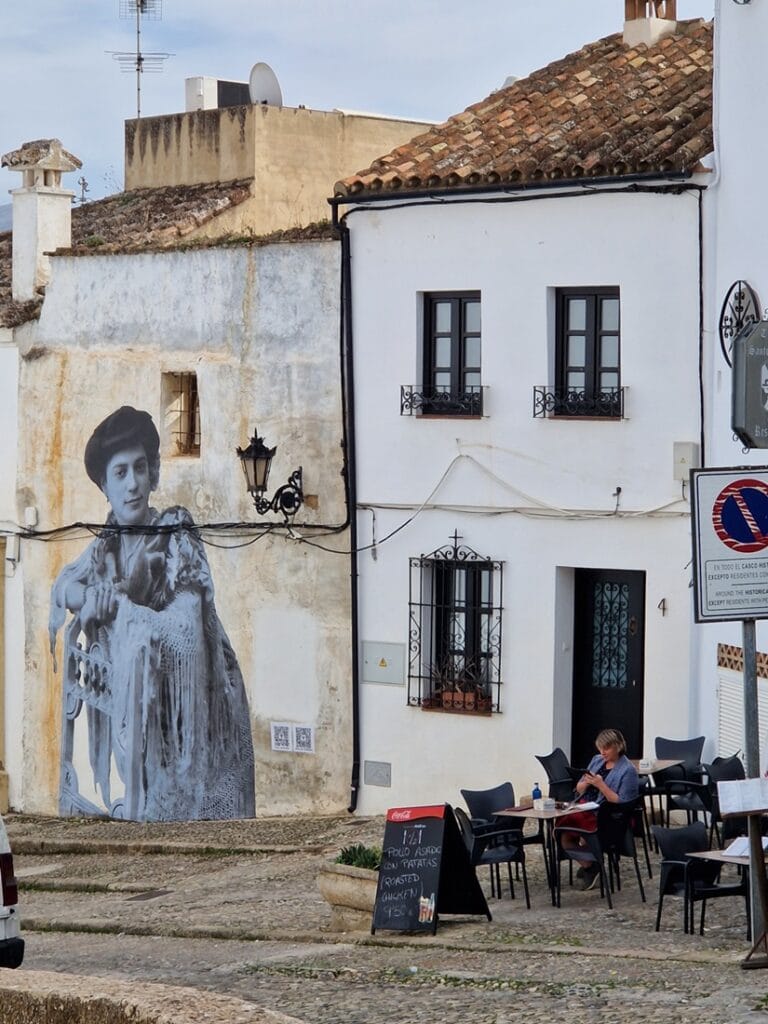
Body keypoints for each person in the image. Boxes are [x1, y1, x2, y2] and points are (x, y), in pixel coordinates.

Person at [49, 406, 255, 822]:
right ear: (104, 486)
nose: (133, 485)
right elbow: (64, 584)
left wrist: (121, 609)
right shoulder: (105, 547)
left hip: (204, 693)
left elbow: (186, 626)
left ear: (152, 473)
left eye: (140, 469)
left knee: (201, 817)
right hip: (147, 699)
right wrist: (87, 599)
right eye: (120, 473)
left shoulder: (176, 534)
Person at [556, 728, 639, 890]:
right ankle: (590, 865)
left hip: (609, 814)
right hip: (585, 806)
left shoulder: (627, 770)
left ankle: (592, 865)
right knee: (560, 830)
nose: (603, 752)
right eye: (600, 748)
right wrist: (587, 783)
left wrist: (601, 785)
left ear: (618, 746)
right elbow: (579, 788)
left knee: (582, 828)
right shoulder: (597, 760)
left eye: (606, 748)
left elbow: (621, 802)